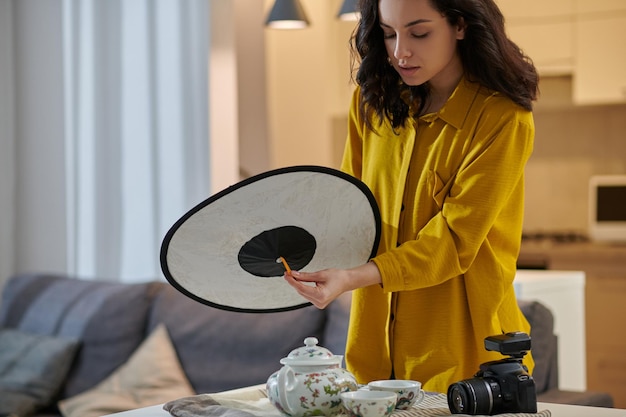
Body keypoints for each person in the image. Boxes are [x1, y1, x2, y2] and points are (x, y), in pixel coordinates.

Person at [284, 0, 539, 394]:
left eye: (419, 33)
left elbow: (453, 241)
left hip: (465, 356)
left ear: (459, 25)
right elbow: (348, 206)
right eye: (388, 33)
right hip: (373, 356)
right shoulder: (371, 105)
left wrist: (353, 276)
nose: (401, 50)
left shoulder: (502, 118)